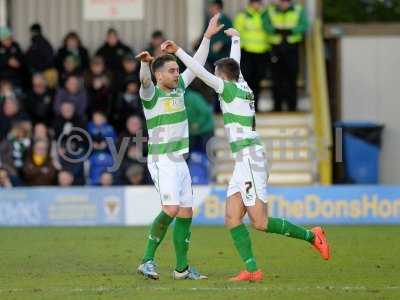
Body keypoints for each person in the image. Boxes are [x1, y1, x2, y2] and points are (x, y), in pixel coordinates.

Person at [163, 27, 330, 282]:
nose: (216, 80)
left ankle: (312, 235)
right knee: (231, 217)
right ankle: (252, 269)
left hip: (250, 159)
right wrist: (237, 37)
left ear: (223, 77)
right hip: (244, 160)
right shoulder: (241, 83)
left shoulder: (227, 88)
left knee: (260, 222)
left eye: (218, 75)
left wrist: (179, 52)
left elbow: (199, 72)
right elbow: (235, 63)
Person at [135, 14, 223, 281]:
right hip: (161, 159)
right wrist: (145, 65)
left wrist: (207, 37)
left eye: (176, 70)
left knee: (186, 212)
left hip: (180, 160)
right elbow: (144, 82)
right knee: (171, 209)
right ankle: (146, 260)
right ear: (159, 74)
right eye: (171, 71)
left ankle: (181, 269)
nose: (177, 74)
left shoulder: (179, 89)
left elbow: (195, 66)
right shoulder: (152, 95)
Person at [264, 0, 309, 111]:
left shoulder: (298, 10)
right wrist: (274, 30)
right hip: (276, 47)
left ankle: (292, 106)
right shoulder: (270, 10)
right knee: (276, 78)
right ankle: (277, 106)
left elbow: (305, 24)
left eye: (286, 2)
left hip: (291, 47)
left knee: (291, 77)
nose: (284, 4)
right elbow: (265, 24)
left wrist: (292, 30)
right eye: (282, 2)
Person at [234, 0, 270, 109]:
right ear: (250, 4)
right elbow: (237, 33)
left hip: (262, 52)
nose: (257, 5)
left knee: (258, 80)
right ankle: (246, 106)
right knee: (246, 80)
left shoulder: (265, 15)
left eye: (259, 3)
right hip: (247, 52)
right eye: (255, 3)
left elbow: (270, 30)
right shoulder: (242, 16)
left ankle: (256, 105)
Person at [184, 89, 214, 153]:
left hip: (205, 130)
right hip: (192, 132)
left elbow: (205, 111)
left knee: (206, 154)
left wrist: (198, 123)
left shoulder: (192, 97)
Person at [205, 0, 233, 64]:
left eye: (212, 7)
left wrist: (221, 43)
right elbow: (206, 33)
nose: (210, 9)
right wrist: (198, 41)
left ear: (218, 7)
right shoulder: (211, 20)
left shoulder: (226, 20)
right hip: (210, 55)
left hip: (221, 56)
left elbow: (231, 36)